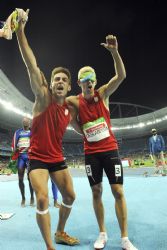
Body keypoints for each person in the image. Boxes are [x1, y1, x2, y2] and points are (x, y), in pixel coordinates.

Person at [15, 8, 80, 250]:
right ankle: (50, 247)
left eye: (64, 79)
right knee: (42, 197)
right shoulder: (43, 97)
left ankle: (61, 231)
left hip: (57, 158)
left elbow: (81, 125)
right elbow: (31, 65)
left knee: (70, 197)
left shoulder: (70, 110)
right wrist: (21, 30)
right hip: (38, 159)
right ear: (51, 84)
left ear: (69, 85)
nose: (60, 82)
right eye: (56, 79)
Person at [67, 35, 138, 249]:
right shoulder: (74, 101)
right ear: (78, 83)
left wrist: (114, 52)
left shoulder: (103, 93)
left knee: (118, 191)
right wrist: (76, 125)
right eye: (83, 79)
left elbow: (122, 75)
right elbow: (59, 102)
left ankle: (125, 238)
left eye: (91, 78)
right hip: (91, 153)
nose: (88, 82)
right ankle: (102, 233)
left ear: (95, 81)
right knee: (96, 191)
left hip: (109, 150)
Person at [11, 117, 34, 207]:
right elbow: (13, 143)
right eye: (23, 121)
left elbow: (36, 142)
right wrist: (14, 149)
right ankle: (23, 198)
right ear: (22, 122)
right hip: (21, 157)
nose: (25, 122)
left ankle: (32, 197)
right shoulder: (18, 132)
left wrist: (30, 148)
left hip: (29, 157)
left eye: (27, 121)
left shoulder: (32, 132)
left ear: (29, 122)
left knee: (30, 179)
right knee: (20, 178)